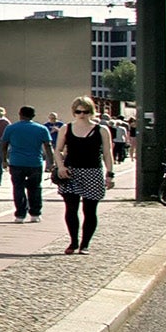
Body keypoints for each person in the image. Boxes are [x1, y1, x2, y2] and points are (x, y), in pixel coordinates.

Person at [57, 98, 116, 255]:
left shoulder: (101, 130)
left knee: (90, 210)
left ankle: (85, 244)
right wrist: (61, 166)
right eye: (78, 111)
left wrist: (110, 174)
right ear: (73, 112)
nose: (82, 115)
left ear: (91, 112)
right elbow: (58, 149)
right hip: (71, 172)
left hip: (93, 171)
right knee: (71, 208)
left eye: (85, 111)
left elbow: (107, 153)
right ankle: (73, 241)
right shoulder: (66, 128)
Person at [2, 106, 54, 224]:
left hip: (16, 162)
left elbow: (4, 145)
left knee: (18, 188)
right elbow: (48, 146)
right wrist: (51, 162)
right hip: (35, 162)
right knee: (35, 188)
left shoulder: (11, 128)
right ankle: (35, 214)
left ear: (20, 114)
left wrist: (4, 160)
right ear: (33, 116)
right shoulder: (42, 129)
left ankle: (20, 214)